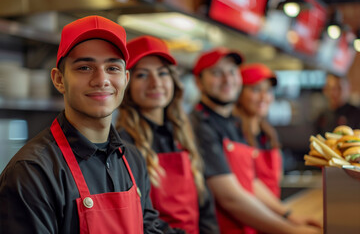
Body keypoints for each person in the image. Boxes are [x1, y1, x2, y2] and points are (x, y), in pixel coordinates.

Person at [0, 16, 171, 234]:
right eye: (84, 68)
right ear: (59, 80)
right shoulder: (31, 172)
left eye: (112, 68)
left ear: (125, 79)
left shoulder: (132, 159)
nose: (101, 80)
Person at [190, 47, 322, 234]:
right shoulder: (199, 125)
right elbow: (230, 197)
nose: (227, 79)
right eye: (216, 73)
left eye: (231, 71)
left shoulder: (233, 124)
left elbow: (250, 181)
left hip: (248, 224)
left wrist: (289, 216)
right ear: (198, 81)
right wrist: (290, 230)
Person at [116, 35, 219, 234]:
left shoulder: (184, 135)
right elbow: (139, 220)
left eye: (162, 73)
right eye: (142, 75)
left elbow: (205, 206)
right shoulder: (123, 145)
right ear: (126, 85)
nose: (155, 83)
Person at [233, 63, 282, 198]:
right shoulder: (234, 133)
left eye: (268, 90)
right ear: (239, 92)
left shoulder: (268, 133)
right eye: (256, 89)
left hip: (272, 210)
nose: (263, 97)